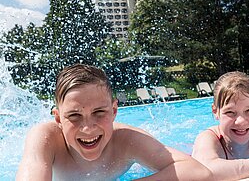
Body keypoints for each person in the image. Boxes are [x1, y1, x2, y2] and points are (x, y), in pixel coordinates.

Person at [16, 64, 213, 181]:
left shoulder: (127, 140)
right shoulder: (45, 139)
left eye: (99, 112)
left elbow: (199, 172)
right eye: (74, 116)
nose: (88, 128)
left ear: (114, 111)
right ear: (58, 118)